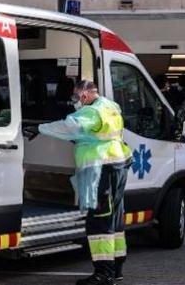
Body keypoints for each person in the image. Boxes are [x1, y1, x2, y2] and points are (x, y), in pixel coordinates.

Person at [38, 80, 131, 285]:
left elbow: (69, 127)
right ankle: (116, 270)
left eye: (76, 96)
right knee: (115, 220)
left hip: (102, 170)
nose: (75, 100)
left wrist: (40, 128)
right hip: (117, 165)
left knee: (99, 221)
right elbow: (97, 134)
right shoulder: (110, 106)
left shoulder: (91, 112)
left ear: (85, 95)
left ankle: (103, 275)